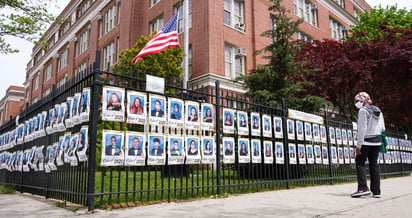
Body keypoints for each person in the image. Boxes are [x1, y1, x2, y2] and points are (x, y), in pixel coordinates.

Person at [351, 92, 385, 198]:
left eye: (357, 101)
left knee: (360, 162)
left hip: (366, 141)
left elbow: (362, 129)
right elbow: (383, 128)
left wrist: (358, 145)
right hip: (377, 141)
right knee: (374, 164)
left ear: (362, 101)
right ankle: (376, 191)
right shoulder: (378, 110)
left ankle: (362, 188)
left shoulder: (363, 111)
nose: (356, 103)